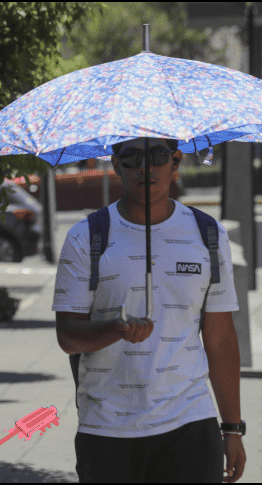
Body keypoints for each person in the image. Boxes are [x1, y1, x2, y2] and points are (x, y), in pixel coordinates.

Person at [52, 137, 247, 483]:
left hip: (190, 423)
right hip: (107, 428)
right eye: (131, 157)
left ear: (175, 162)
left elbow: (219, 338)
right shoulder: (87, 236)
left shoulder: (208, 235)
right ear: (115, 164)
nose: (145, 167)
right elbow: (68, 335)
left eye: (157, 155)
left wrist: (232, 428)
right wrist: (115, 329)